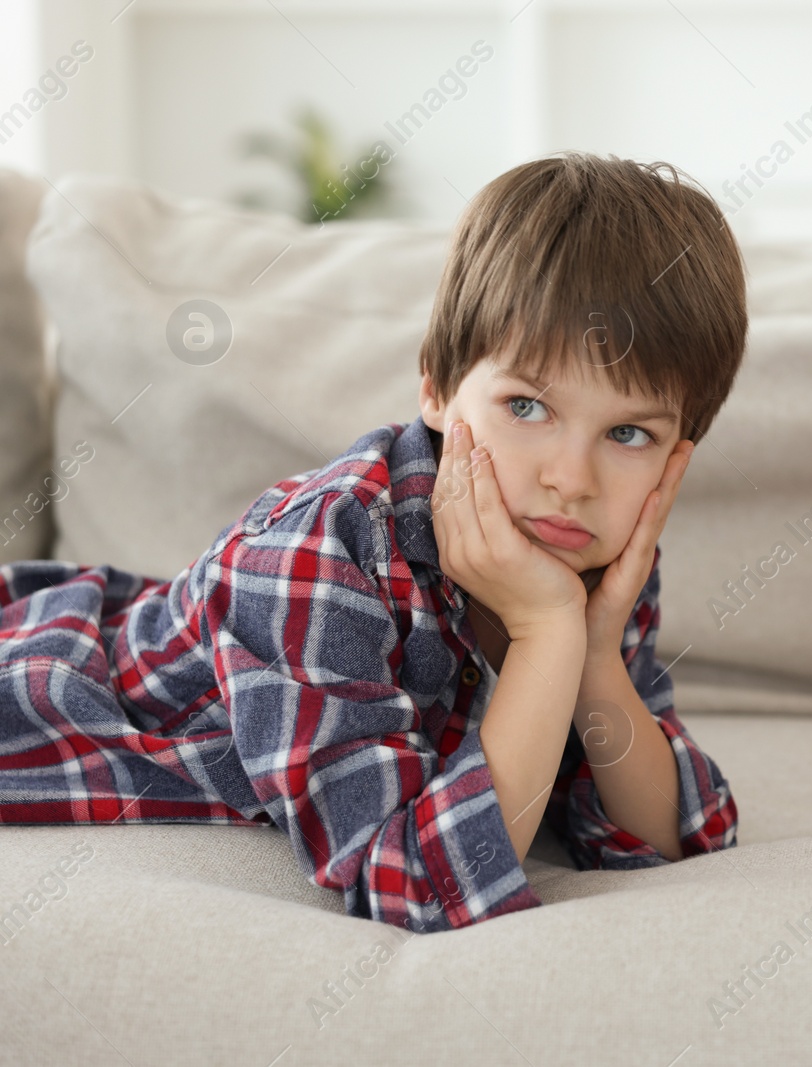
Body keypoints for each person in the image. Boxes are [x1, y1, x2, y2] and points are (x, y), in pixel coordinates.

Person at [0, 153, 744, 933]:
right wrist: (548, 629)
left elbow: (674, 835)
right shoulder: (324, 551)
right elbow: (421, 882)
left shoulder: (588, 555)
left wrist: (588, 651)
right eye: (526, 406)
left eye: (628, 433)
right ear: (436, 387)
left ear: (675, 459)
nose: (571, 477)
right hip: (46, 700)